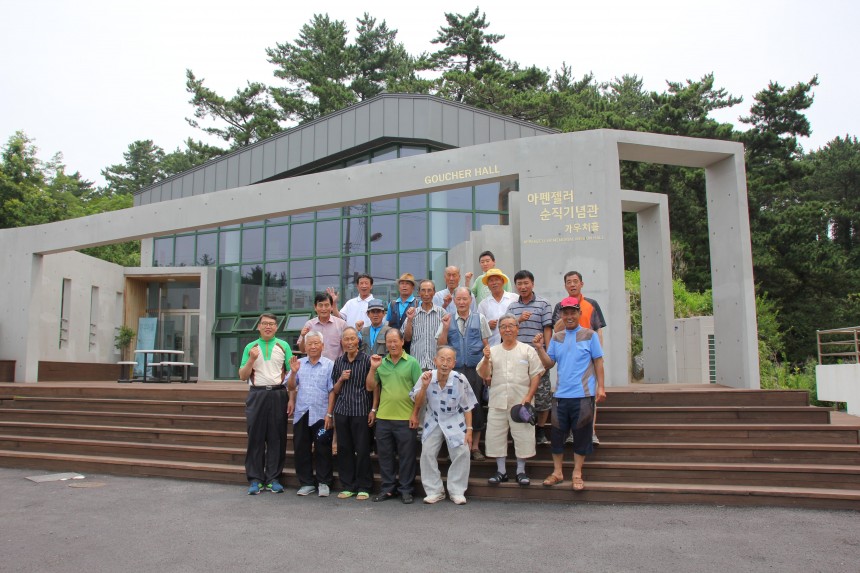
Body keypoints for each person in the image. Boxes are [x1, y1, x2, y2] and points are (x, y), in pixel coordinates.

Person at [533, 297, 605, 491]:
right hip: (561, 395)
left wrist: (601, 387)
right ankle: (557, 472)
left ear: (579, 314)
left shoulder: (590, 336)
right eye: (566, 313)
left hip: (583, 395)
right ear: (561, 316)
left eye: (573, 312)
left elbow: (598, 361)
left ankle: (577, 473)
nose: (569, 316)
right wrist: (540, 349)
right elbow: (549, 363)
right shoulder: (557, 338)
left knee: (582, 435)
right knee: (557, 435)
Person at [476, 314, 544, 486]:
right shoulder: (492, 351)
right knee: (496, 436)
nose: (507, 329)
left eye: (511, 326)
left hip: (521, 403)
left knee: (523, 437)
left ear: (517, 328)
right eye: (503, 326)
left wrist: (528, 397)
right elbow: (484, 374)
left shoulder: (527, 350)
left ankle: (521, 472)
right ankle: (501, 471)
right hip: (498, 401)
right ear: (499, 330)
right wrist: (485, 358)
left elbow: (536, 374)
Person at [409, 346, 478, 505]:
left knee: (462, 452)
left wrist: (469, 430)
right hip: (433, 418)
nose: (445, 363)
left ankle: (457, 491)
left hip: (454, 418)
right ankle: (434, 491)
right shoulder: (426, 376)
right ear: (435, 361)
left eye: (449, 360)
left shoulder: (460, 379)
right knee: (427, 452)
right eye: (442, 359)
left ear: (454, 363)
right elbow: (417, 402)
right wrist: (425, 386)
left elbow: (468, 407)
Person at [365, 328, 423, 504]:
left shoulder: (412, 362)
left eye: (395, 341)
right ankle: (388, 488)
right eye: (388, 342)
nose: (392, 344)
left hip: (406, 418)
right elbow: (370, 387)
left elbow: (420, 391)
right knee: (385, 455)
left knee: (407, 457)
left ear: (402, 341)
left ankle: (406, 489)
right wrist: (373, 369)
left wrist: (415, 414)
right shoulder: (380, 363)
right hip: (384, 417)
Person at [238, 313, 292, 496]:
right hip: (257, 394)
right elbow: (243, 375)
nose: (268, 327)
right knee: (256, 437)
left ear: (277, 327)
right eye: (264, 324)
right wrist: (252, 359)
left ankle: (273, 479)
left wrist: (291, 398)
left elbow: (292, 375)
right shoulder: (250, 347)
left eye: (271, 324)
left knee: (277, 437)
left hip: (278, 394)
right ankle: (255, 479)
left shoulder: (283, 346)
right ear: (259, 327)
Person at [551, 271, 607, 445]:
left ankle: (591, 432)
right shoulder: (560, 306)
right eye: (569, 282)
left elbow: (598, 329)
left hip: (587, 352)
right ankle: (570, 433)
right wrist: (565, 315)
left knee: (588, 394)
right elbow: (556, 329)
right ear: (565, 286)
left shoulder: (591, 304)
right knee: (568, 396)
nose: (572, 284)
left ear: (582, 284)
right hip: (568, 355)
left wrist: (599, 352)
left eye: (576, 281)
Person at [437, 287, 491, 461]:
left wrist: (487, 370)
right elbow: (441, 346)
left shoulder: (479, 318)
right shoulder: (447, 318)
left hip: (475, 369)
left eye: (464, 299)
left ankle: (474, 447)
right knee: (453, 407)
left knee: (475, 407)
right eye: (458, 299)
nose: (461, 302)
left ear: (470, 300)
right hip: (454, 369)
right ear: (454, 300)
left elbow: (486, 345)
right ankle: (454, 446)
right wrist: (445, 328)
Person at [507, 270, 554, 445]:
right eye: (519, 284)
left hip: (537, 357)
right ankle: (521, 429)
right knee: (519, 394)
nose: (523, 287)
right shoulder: (512, 307)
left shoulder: (544, 304)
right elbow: (507, 329)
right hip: (518, 359)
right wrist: (517, 320)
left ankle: (540, 430)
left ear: (532, 284)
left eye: (526, 283)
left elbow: (548, 330)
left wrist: (548, 354)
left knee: (541, 396)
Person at [288, 330, 335, 497]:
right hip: (302, 413)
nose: (313, 346)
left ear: (322, 346)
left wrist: (329, 414)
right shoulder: (299, 364)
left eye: (316, 343)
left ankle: (324, 482)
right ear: (305, 346)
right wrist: (293, 372)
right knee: (301, 448)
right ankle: (306, 482)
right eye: (310, 344)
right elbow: (291, 387)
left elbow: (332, 391)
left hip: (321, 415)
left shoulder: (330, 365)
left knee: (323, 448)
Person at [330, 327, 375, 500]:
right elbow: (335, 389)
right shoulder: (338, 362)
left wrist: (373, 409)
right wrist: (341, 378)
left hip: (361, 410)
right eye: (346, 339)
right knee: (344, 449)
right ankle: (348, 485)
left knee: (363, 449)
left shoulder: (367, 360)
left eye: (352, 339)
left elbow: (374, 388)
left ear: (358, 341)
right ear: (342, 342)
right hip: (342, 410)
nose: (349, 342)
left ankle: (364, 486)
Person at [403, 279, 447, 370]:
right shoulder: (412, 313)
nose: (426, 294)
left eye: (429, 290)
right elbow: (407, 338)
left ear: (434, 292)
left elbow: (446, 340)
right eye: (423, 290)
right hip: (417, 364)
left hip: (436, 364)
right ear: (419, 292)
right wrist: (410, 320)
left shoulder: (442, 313)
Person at [299, 292, 346, 361]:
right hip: (315, 368)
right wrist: (303, 337)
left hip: (336, 368)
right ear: (315, 307)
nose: (323, 309)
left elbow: (346, 348)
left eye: (326, 305)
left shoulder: (341, 324)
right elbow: (302, 350)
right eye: (320, 305)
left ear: (332, 307)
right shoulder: (309, 325)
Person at [477, 268, 519, 347]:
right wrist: (487, 325)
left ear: (502, 281)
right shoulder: (483, 304)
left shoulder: (514, 298)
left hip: (514, 346)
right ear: (487, 284)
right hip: (493, 347)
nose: (494, 283)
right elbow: (479, 328)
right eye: (491, 281)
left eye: (496, 280)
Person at [386, 273, 419, 353]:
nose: (404, 286)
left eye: (407, 284)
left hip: (412, 346)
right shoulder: (392, 304)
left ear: (412, 287)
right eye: (402, 283)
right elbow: (387, 325)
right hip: (394, 345)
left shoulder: (418, 304)